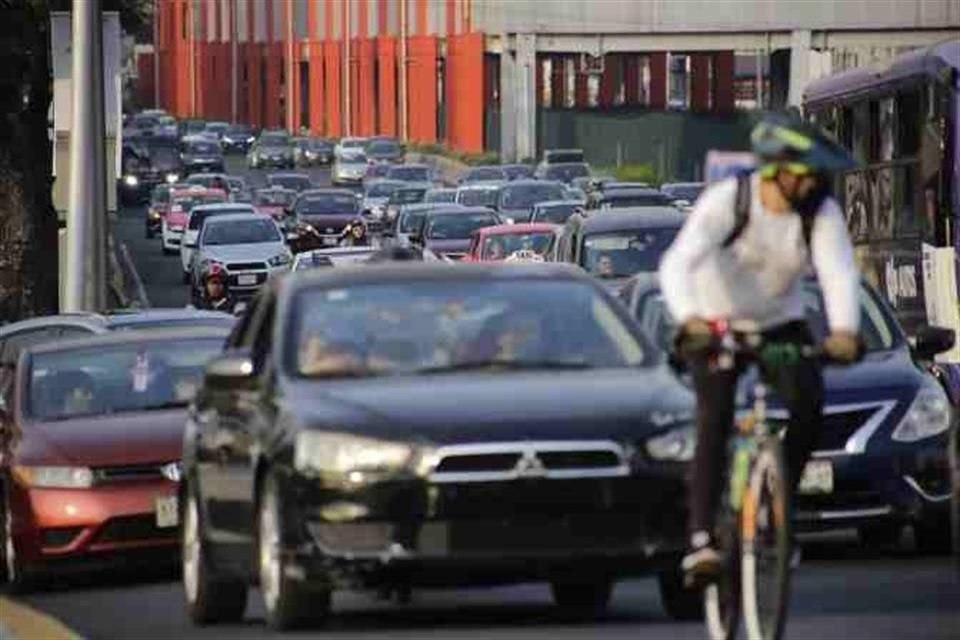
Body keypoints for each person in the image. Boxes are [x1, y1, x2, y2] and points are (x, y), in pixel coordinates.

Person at [658, 113, 862, 580]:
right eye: (807, 175)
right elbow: (677, 265)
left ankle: (778, 508)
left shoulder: (820, 212)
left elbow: (838, 272)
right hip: (714, 321)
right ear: (777, 171)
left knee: (809, 403)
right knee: (714, 418)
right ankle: (702, 538)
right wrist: (690, 318)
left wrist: (846, 330)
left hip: (779, 322)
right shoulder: (729, 201)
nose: (815, 185)